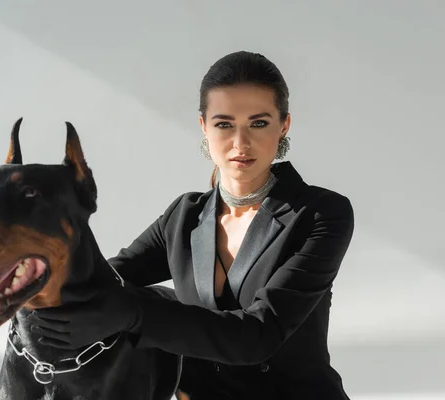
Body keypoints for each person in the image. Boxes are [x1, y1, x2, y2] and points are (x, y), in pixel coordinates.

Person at [28, 51, 355, 399]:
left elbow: (259, 337)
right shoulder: (184, 217)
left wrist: (133, 313)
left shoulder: (322, 214)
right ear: (203, 126)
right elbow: (103, 282)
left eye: (258, 123)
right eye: (224, 124)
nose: (240, 143)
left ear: (284, 124)